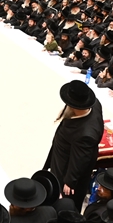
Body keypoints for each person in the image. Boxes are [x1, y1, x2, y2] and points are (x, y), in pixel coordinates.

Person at [44, 81, 104, 211]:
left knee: (66, 199)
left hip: (67, 166)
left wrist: (70, 181)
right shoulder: (95, 103)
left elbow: (80, 159)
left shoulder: (86, 134)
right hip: (63, 149)